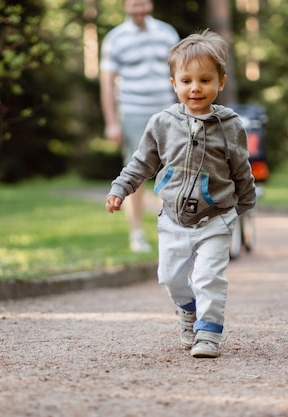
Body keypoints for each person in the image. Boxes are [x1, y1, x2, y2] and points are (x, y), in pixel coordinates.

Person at [105, 30, 256, 358]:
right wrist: (121, 188)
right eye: (186, 80)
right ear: (174, 83)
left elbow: (241, 168)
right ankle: (187, 309)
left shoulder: (229, 125)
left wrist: (245, 203)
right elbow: (141, 163)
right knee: (170, 277)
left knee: (208, 277)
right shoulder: (162, 123)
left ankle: (208, 333)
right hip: (173, 217)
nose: (195, 88)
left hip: (216, 216)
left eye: (205, 80)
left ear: (221, 82)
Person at [99, 0, 179, 253]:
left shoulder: (167, 33)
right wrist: (112, 122)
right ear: (125, 6)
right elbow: (107, 84)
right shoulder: (115, 38)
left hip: (167, 111)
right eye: (134, 4)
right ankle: (137, 234)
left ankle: (175, 229)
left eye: (142, 3)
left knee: (174, 171)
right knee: (135, 174)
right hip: (133, 112)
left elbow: (181, 73)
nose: (139, 9)